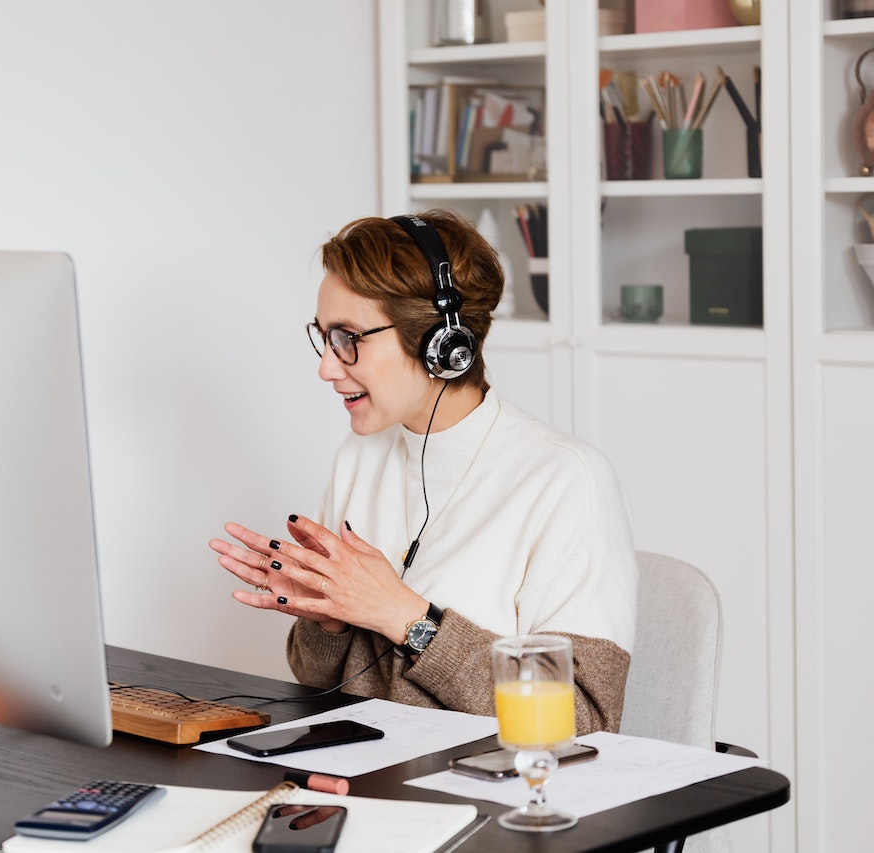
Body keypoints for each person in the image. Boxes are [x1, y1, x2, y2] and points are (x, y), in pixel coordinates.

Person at [209, 209, 637, 736]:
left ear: (440, 343)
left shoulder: (566, 480)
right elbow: (317, 681)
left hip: (490, 799)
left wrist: (406, 617)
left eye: (348, 339)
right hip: (366, 784)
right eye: (323, 338)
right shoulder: (358, 458)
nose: (326, 366)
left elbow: (583, 720)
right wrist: (329, 620)